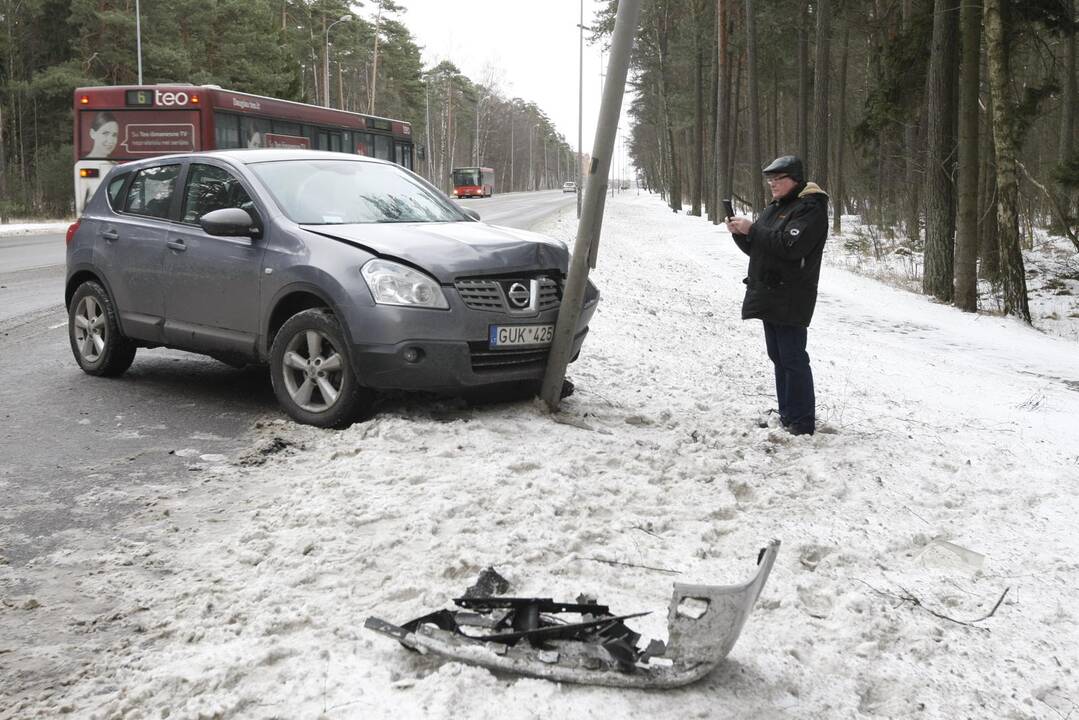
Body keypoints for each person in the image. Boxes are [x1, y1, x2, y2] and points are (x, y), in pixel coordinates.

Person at [725, 155, 828, 436]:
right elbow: (761, 247)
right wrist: (740, 234)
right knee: (778, 356)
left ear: (795, 179)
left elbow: (790, 247)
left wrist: (753, 229)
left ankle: (802, 421)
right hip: (770, 292)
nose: (772, 184)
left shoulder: (811, 208)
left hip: (792, 294)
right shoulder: (776, 208)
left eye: (778, 179)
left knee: (793, 357)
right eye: (770, 179)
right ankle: (787, 415)